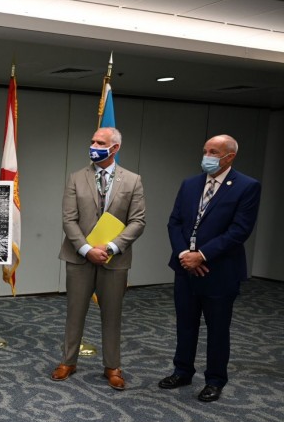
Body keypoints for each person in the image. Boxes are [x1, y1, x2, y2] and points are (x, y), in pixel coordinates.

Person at [159, 134, 261, 402]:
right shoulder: (190, 184)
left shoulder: (246, 186)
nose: (207, 156)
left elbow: (239, 231)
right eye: (205, 150)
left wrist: (202, 256)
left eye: (214, 152)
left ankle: (215, 380)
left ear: (230, 156)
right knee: (185, 324)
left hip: (220, 271)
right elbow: (175, 222)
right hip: (184, 268)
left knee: (217, 329)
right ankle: (182, 371)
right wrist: (185, 255)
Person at [51, 127, 146, 390]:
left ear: (114, 148)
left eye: (99, 142)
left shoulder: (132, 180)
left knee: (112, 314)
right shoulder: (75, 178)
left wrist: (113, 246)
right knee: (75, 312)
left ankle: (112, 366)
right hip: (79, 257)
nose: (93, 145)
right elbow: (68, 219)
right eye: (92, 140)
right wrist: (86, 249)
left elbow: (138, 221)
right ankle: (68, 361)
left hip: (114, 260)